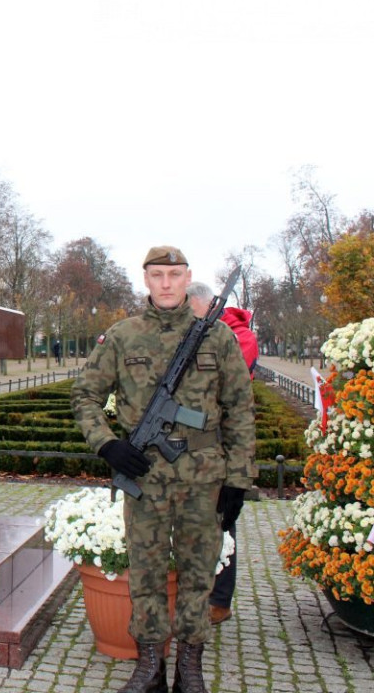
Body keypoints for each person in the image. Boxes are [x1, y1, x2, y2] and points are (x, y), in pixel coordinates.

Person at [71, 247, 256, 693]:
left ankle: (189, 668)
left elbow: (240, 409)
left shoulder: (217, 338)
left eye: (174, 275)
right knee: (146, 573)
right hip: (146, 478)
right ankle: (149, 665)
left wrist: (238, 479)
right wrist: (108, 444)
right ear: (147, 280)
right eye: (158, 275)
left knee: (198, 574)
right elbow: (85, 396)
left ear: (188, 277)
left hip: (204, 479)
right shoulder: (123, 336)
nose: (167, 283)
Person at [187, 281, 260, 627]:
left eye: (192, 312)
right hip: (194, 443)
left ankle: (220, 600)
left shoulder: (238, 336)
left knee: (223, 521)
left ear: (206, 305)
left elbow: (226, 388)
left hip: (223, 439)